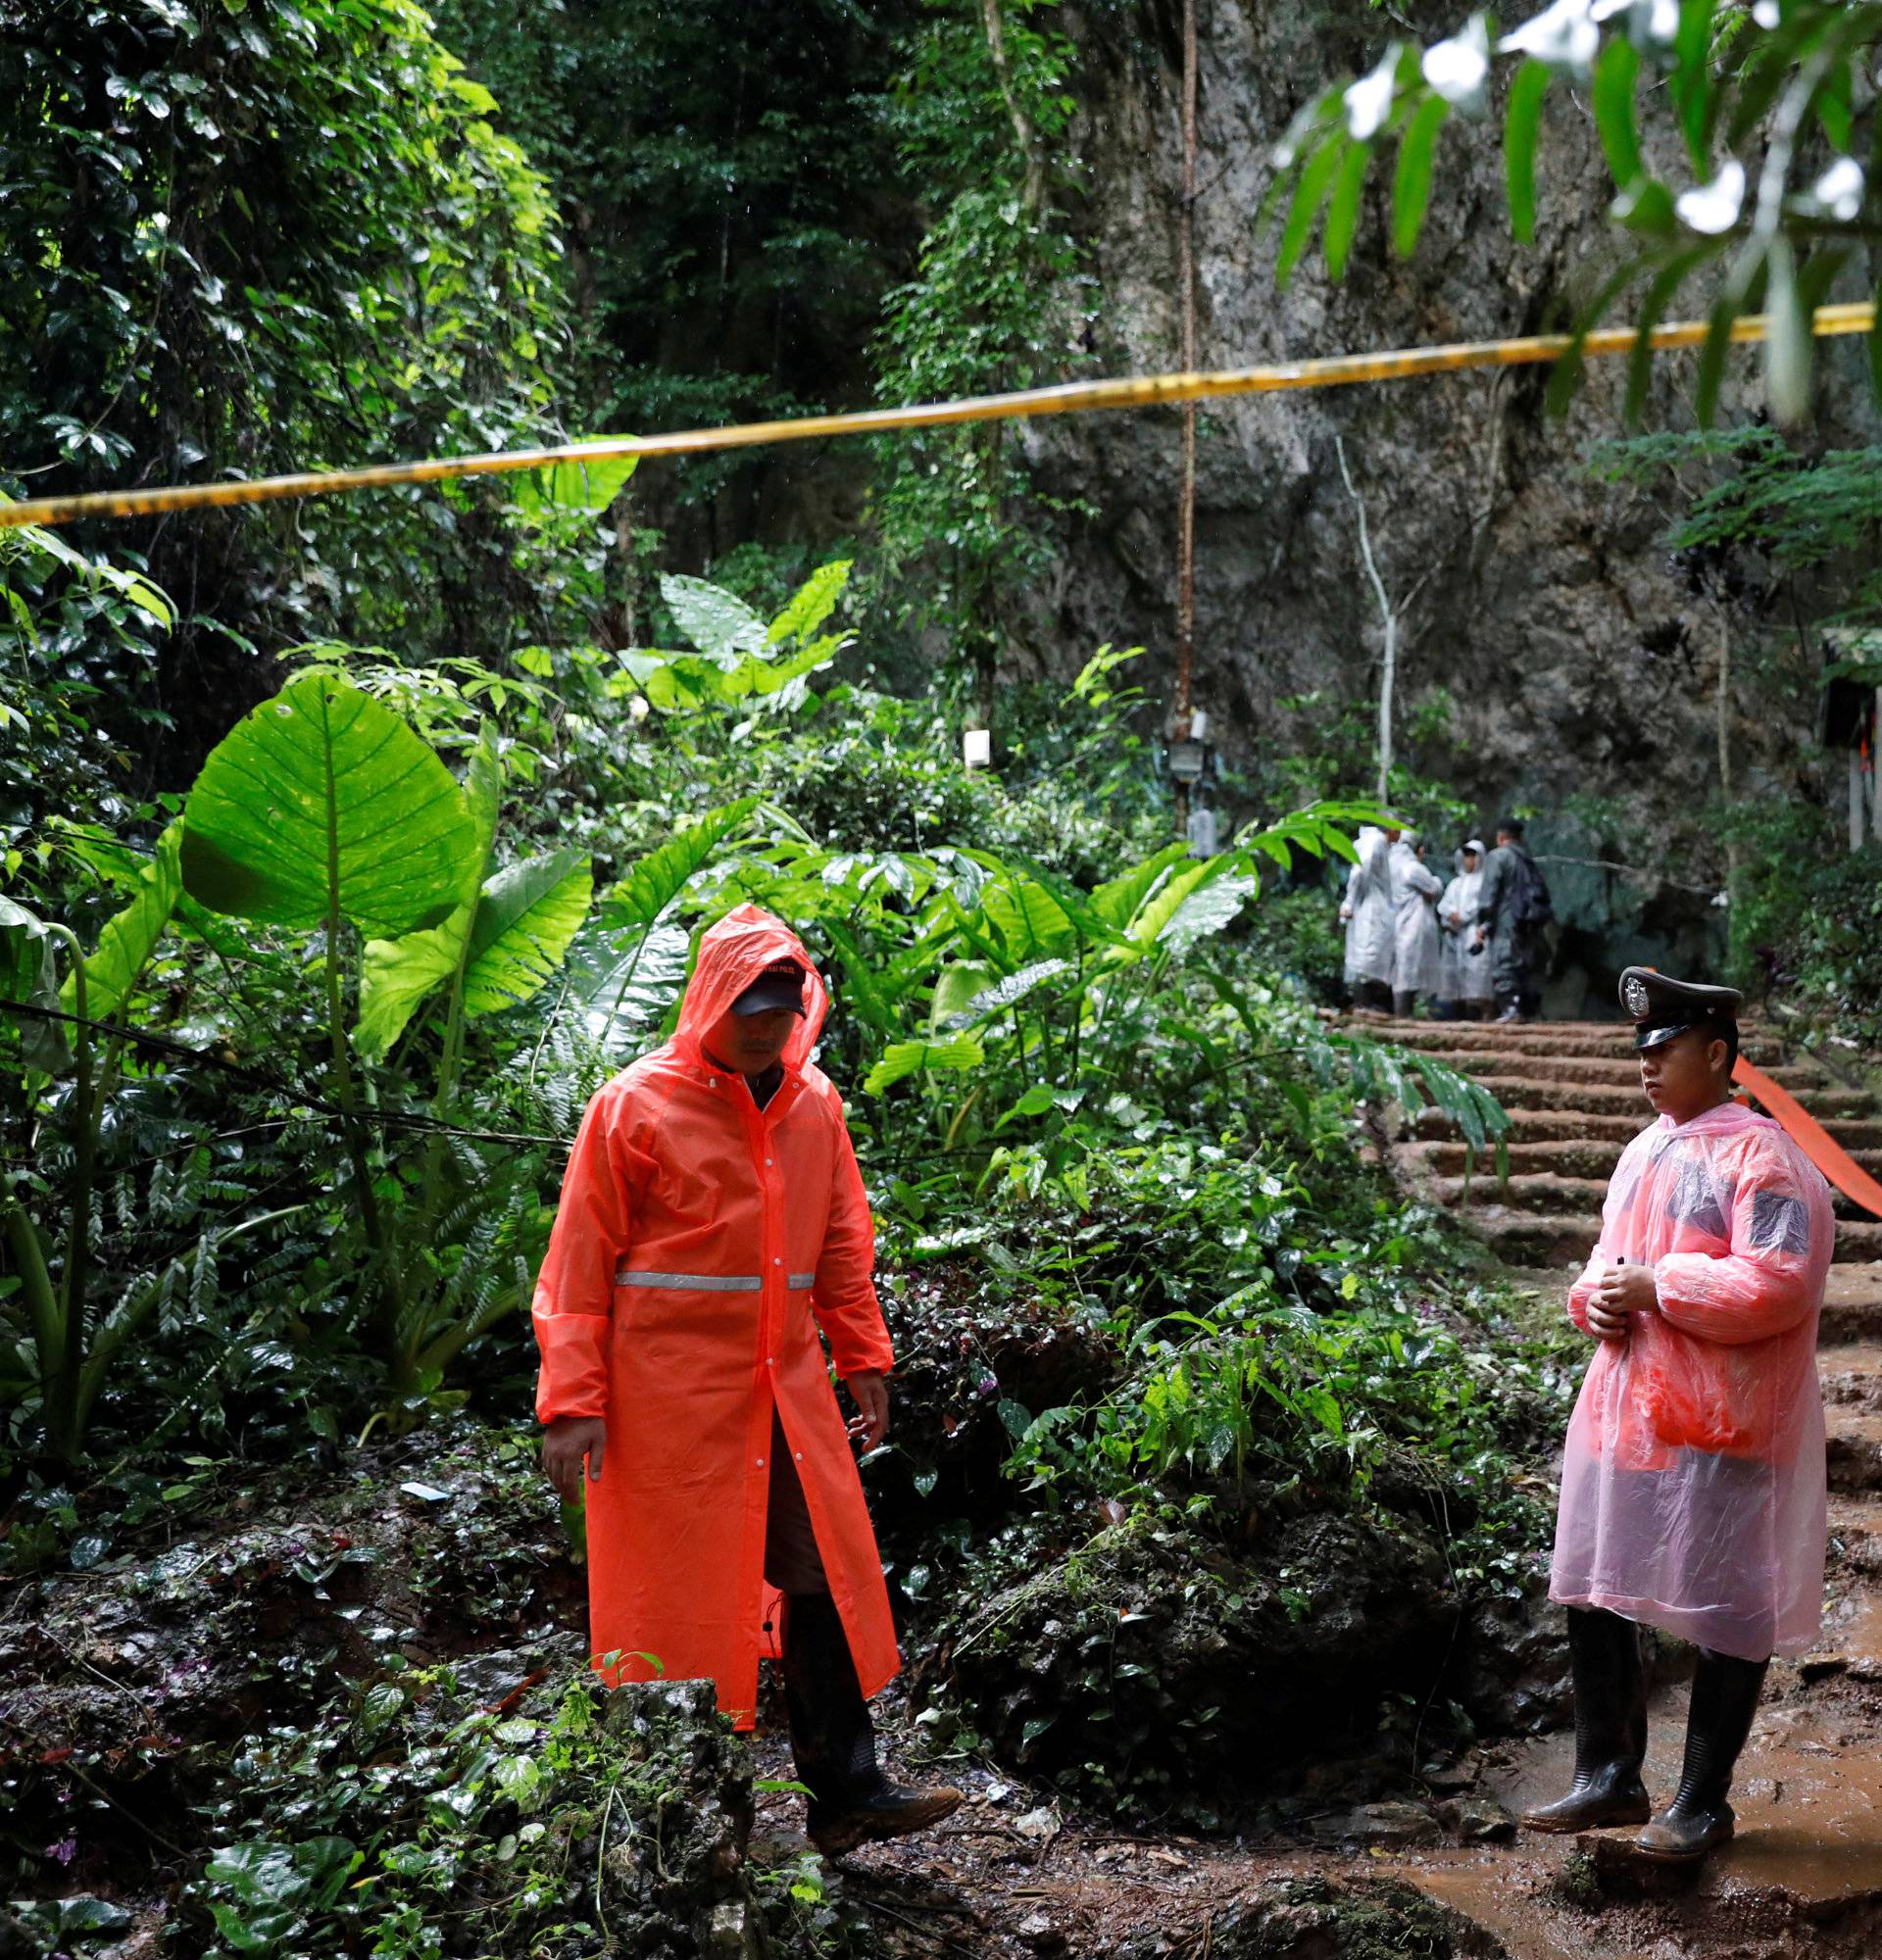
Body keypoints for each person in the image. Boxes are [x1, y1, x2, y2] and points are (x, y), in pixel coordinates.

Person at [532, 904, 964, 1856]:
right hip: (666, 1410)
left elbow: (844, 1239)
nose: (767, 1026)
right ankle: (680, 1822)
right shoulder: (634, 1105)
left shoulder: (815, 1105)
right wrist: (572, 1403)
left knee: (822, 1579)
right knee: (673, 1608)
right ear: (711, 1002)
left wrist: (865, 1356)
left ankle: (847, 1787)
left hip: (786, 1393)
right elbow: (577, 1263)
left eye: (782, 1007)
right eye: (751, 1008)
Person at [1522, 968, 1833, 1863]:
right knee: (1596, 1585)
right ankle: (1608, 1777)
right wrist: (1597, 1301)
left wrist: (1661, 1286)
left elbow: (1780, 1282)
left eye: (1665, 1049)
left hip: (1728, 1424)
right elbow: (1604, 1266)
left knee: (1734, 1604)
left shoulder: (1763, 1156)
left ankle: (1703, 1802)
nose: (1648, 1066)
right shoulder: (1642, 1151)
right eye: (1643, 1052)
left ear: (1718, 1054)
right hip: (1630, 1414)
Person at [1473, 817, 1552, 1023]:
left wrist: (1482, 921)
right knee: (1525, 965)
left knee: (1504, 964)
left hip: (1507, 921)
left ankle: (1511, 1009)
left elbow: (1488, 894)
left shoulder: (1498, 857)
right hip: (1530, 922)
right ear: (1520, 837)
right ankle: (1527, 1011)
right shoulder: (1527, 859)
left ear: (1500, 837)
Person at [1339, 822, 1398, 1016]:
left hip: (1374, 906)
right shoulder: (1375, 842)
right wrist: (1349, 901)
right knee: (1368, 955)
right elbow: (1359, 871)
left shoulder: (1376, 842)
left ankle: (1369, 1003)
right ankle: (1363, 1003)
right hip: (1370, 908)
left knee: (1373, 956)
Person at [1389, 829, 1443, 1019]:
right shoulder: (1413, 868)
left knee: (1402, 971)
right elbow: (1434, 888)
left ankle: (1404, 1013)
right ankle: (1404, 1014)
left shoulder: (1392, 867)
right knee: (1408, 971)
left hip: (1398, 923)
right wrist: (1436, 880)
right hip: (1413, 924)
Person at [1438, 840, 1493, 1021]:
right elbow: (1443, 904)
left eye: (1472, 855)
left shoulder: (1484, 882)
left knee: (1478, 978)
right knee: (1455, 980)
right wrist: (1450, 915)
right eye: (1466, 855)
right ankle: (1457, 1018)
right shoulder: (1455, 883)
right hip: (1454, 936)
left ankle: (1481, 1016)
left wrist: (1461, 916)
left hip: (1473, 933)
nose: (1469, 860)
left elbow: (1482, 906)